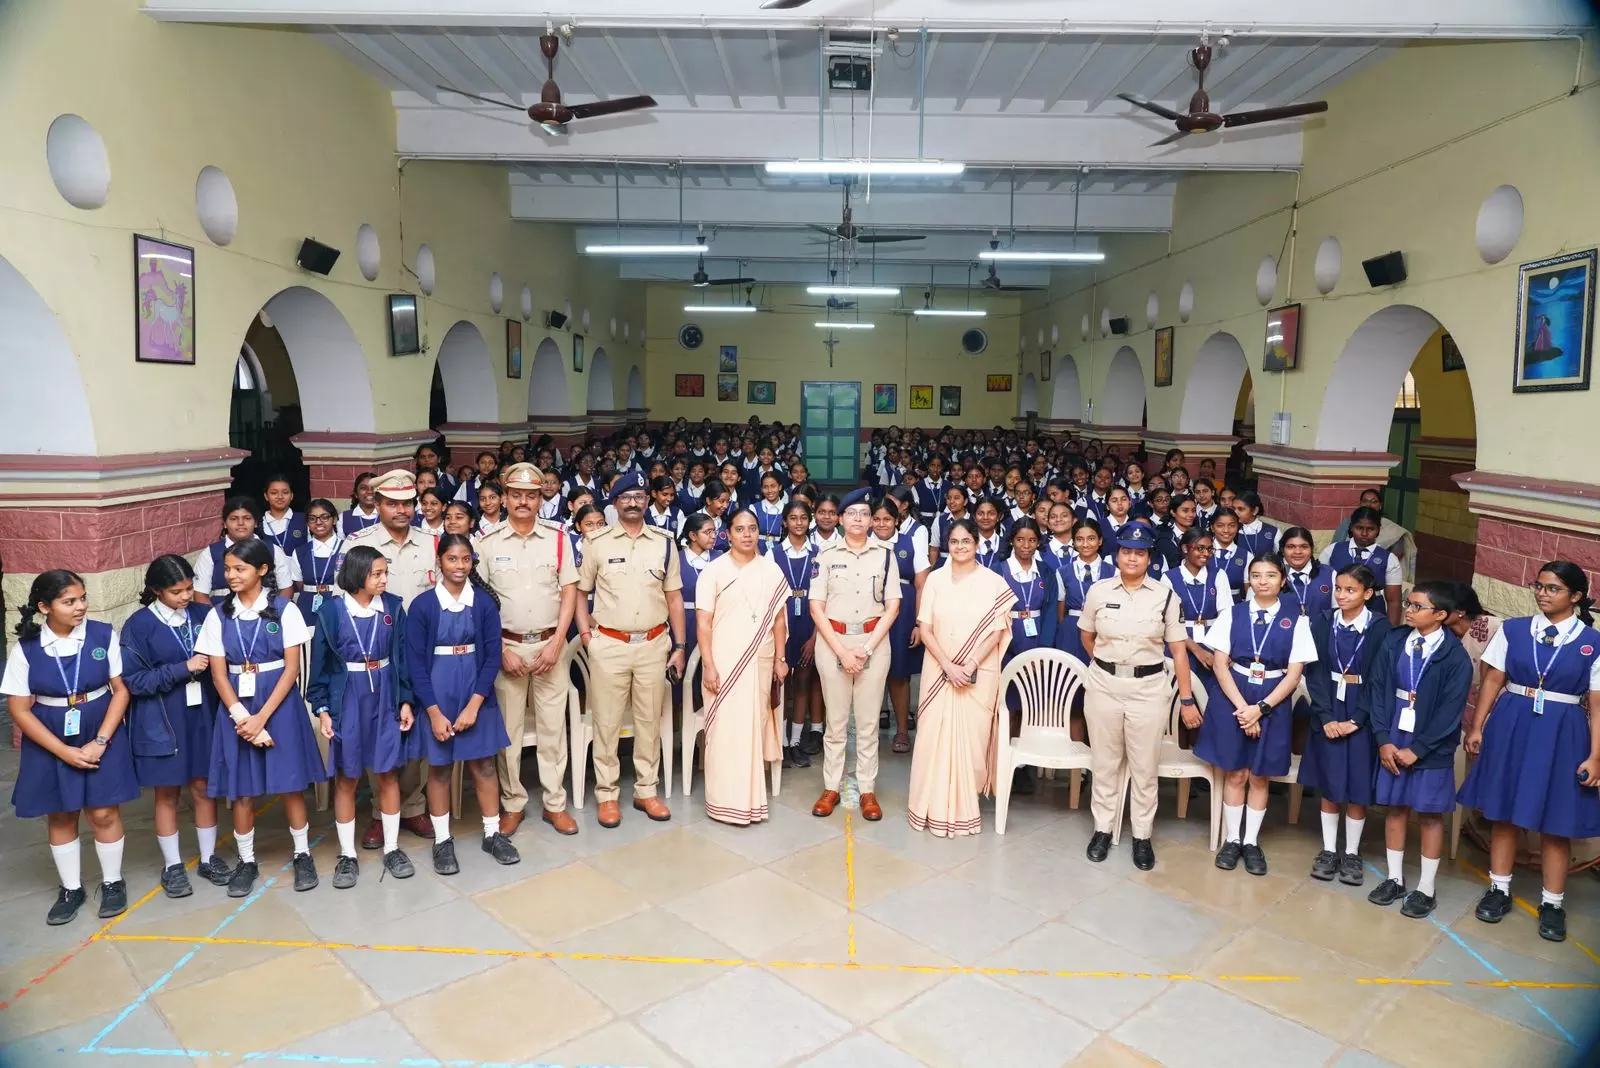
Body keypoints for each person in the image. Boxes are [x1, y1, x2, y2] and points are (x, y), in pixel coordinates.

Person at [1458, 561, 1600, 943]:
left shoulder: (1593, 642)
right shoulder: (1514, 630)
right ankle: (1499, 889)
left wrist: (1596, 756)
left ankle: (1552, 903)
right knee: (1503, 812)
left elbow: (1598, 704)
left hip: (1563, 730)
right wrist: (1478, 726)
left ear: (1575, 596)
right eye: (1538, 586)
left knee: (1556, 821)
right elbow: (1493, 679)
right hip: (1512, 721)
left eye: (1553, 588)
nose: (1542, 593)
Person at [3, 570, 138, 924]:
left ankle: (112, 882)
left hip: (99, 728)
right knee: (61, 812)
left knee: (104, 812)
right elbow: (19, 708)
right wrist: (63, 752)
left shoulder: (102, 634)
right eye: (69, 602)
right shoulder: (27, 648)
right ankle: (71, 888)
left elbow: (120, 691)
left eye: (82, 598)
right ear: (44, 607)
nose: (80, 607)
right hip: (50, 737)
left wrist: (101, 740)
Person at [198, 537, 326, 897]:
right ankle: (247, 860)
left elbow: (291, 669)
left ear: (263, 570)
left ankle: (302, 854)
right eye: (227, 569)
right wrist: (242, 717)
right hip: (237, 706)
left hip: (278, 704)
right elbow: (218, 674)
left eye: (240, 568)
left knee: (290, 783)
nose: (231, 575)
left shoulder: (285, 610)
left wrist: (262, 718)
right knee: (242, 789)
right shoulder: (218, 614)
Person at [1079, 524, 1195, 870]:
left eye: (1139, 553)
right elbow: (1087, 636)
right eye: (1126, 551)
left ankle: (1142, 835)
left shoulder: (1166, 596)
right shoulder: (1098, 591)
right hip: (1104, 687)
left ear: (1149, 558)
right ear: (1117, 554)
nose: (1132, 558)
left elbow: (1179, 652)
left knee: (1144, 768)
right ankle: (1103, 828)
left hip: (1148, 691)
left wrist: (1187, 700)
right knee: (1105, 763)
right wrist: (1108, 665)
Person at [575, 471, 688, 828]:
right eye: (626, 497)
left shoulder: (664, 542)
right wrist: (587, 637)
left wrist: (680, 646)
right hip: (609, 645)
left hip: (653, 644)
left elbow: (674, 597)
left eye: (639, 496)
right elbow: (580, 593)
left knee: (649, 721)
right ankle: (607, 795)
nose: (633, 502)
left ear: (647, 500)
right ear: (615, 502)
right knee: (607, 723)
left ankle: (646, 790)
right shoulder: (596, 542)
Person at [405, 533, 520, 874]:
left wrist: (474, 706)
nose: (459, 566)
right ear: (439, 561)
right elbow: (415, 663)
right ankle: (442, 840)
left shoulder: (483, 603)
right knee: (440, 768)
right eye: (452, 559)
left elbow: (491, 657)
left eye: (465, 559)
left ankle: (492, 833)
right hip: (438, 693)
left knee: (484, 765)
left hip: (475, 691)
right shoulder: (423, 606)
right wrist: (433, 712)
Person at [476, 463, 580, 835]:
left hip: (550, 646)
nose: (523, 501)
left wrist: (558, 643)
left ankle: (555, 804)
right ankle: (513, 804)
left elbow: (569, 592)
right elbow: (481, 604)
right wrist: (500, 651)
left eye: (531, 496)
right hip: (507, 649)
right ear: (504, 498)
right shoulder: (486, 543)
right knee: (509, 733)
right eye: (516, 495)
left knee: (554, 729)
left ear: (540, 499)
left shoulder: (558, 538)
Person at [1196, 553, 1316, 876]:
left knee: (1260, 775)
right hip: (1233, 697)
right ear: (1249, 580)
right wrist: (1243, 710)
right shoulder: (1232, 614)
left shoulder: (1297, 620)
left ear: (1283, 580)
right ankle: (1232, 840)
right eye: (1257, 575)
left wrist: (1261, 709)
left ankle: (1251, 841)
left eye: (1271, 575)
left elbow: (1294, 675)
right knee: (1236, 773)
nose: (1263, 581)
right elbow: (1220, 665)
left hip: (1272, 702)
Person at [120, 556, 230, 897]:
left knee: (203, 786)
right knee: (166, 792)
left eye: (189, 588)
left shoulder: (203, 614)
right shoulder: (139, 625)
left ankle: (209, 858)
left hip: (202, 714)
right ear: (156, 590)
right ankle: (172, 865)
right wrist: (183, 668)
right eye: (176, 591)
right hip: (162, 717)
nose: (185, 596)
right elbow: (134, 681)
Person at [308, 546, 418, 887]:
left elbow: (402, 658)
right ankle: (347, 855)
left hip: (384, 695)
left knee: (387, 773)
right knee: (347, 776)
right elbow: (320, 666)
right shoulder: (331, 612)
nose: (384, 580)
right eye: (377, 574)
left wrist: (405, 700)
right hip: (348, 698)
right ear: (357, 576)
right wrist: (323, 709)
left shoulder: (393, 608)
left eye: (385, 573)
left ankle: (392, 847)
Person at [1365, 581, 1473, 919]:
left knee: (1429, 814)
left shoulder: (1455, 657)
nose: (1408, 611)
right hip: (1394, 733)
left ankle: (1426, 887)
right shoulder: (1395, 641)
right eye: (1408, 604)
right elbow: (1378, 690)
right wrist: (1383, 739)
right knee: (1395, 808)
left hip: (1431, 744)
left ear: (1440, 615)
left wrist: (1420, 749)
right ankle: (1395, 879)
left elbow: (1450, 711)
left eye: (1417, 606)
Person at [343, 470, 438, 847]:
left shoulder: (432, 542)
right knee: (379, 730)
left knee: (416, 729)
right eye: (392, 503)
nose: (401, 510)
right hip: (378, 656)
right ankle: (381, 811)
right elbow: (347, 599)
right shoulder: (359, 544)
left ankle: (412, 806)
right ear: (377, 503)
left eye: (407, 503)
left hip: (423, 652)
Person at [907, 519, 1017, 837]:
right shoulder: (935, 579)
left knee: (972, 742)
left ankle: (964, 810)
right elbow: (925, 628)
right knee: (932, 738)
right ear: (947, 545)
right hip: (939, 670)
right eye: (954, 542)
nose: (960, 547)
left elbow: (997, 631)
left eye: (966, 541)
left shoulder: (994, 582)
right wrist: (948, 666)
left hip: (977, 674)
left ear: (977, 544)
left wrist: (968, 665)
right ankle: (929, 808)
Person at [810, 488, 900, 822]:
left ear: (872, 520)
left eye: (864, 513)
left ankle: (867, 789)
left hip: (873, 643)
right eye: (852, 513)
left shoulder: (885, 555)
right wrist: (842, 651)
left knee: (867, 723)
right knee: (835, 724)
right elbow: (816, 608)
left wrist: (866, 648)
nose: (858, 519)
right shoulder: (825, 554)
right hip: (833, 641)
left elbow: (892, 606)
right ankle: (831, 787)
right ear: (841, 519)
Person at [697, 507, 790, 825]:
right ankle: (721, 801)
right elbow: (703, 623)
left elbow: (779, 621)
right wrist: (708, 665)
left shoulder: (771, 571)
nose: (747, 535)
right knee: (725, 731)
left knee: (752, 728)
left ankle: (751, 801)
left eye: (752, 528)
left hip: (760, 662)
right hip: (723, 664)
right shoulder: (713, 571)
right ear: (728, 533)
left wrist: (780, 658)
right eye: (740, 529)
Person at [1301, 564, 1392, 886]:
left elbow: (1381, 678)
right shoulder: (1324, 621)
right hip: (1328, 705)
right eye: (1338, 588)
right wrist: (1326, 717)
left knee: (1357, 785)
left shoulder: (1380, 627)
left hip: (1361, 709)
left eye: (1350, 590)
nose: (1341, 595)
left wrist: (1357, 719)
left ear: (1368, 594)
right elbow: (1314, 672)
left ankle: (1351, 852)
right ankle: (1329, 850)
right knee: (1330, 781)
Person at [871, 498, 928, 755]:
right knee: (869, 672)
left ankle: (902, 730)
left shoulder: (910, 543)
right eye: (877, 519)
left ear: (897, 520)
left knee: (899, 673)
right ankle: (868, 732)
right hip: (871, 611)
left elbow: (921, 585)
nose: (882, 524)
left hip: (903, 613)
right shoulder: (863, 542)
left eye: (887, 519)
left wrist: (918, 623)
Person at [773, 501, 818, 768]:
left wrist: (815, 638)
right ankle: (779, 742)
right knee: (781, 685)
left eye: (803, 518)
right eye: (793, 518)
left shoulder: (819, 553)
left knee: (802, 682)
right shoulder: (773, 554)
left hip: (809, 623)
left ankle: (795, 742)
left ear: (809, 521)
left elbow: (825, 599)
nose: (799, 523)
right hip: (783, 623)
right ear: (785, 522)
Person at [193, 497, 295, 605]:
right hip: (224, 610)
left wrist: (274, 612)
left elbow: (286, 589)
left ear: (256, 522)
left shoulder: (272, 550)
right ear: (224, 523)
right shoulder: (211, 553)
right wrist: (217, 615)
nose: (240, 523)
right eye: (234, 519)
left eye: (247, 518)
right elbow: (200, 594)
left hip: (266, 610)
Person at [1320, 506, 1403, 625]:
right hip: (1337, 610)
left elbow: (1393, 600)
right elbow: (1319, 584)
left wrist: (1392, 632)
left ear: (1378, 530)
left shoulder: (1389, 558)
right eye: (1359, 528)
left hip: (1373, 613)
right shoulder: (1332, 550)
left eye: (1371, 529)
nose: (1364, 533)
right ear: (1351, 527)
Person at [1054, 519, 1114, 663]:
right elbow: (1060, 609)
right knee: (1070, 671)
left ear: (1100, 541)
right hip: (1071, 630)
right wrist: (1065, 627)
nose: (1085, 544)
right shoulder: (1062, 572)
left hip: (1101, 628)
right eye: (1079, 539)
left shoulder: (1113, 572)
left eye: (1091, 539)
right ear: (1073, 542)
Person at [288, 499, 343, 626]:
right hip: (307, 607)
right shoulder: (300, 551)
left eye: (324, 517)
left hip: (338, 605)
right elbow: (300, 584)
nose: (318, 522)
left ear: (334, 519)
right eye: (312, 519)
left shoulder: (346, 548)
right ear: (307, 523)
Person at [1280, 526, 1335, 620]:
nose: (1298, 552)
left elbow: (1338, 610)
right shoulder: (1273, 574)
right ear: (1282, 550)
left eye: (1304, 547)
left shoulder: (1329, 574)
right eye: (1291, 547)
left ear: (1311, 549)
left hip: (1321, 629)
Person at [260, 475, 307, 557]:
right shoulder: (258, 523)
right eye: (274, 493)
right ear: (266, 496)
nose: (280, 497)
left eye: (285, 492)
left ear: (291, 496)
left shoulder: (304, 519)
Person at [1232, 491, 1280, 559]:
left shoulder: (1273, 531)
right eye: (1233, 508)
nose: (1235, 512)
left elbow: (1281, 558)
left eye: (1241, 509)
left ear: (1255, 510)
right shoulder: (1229, 531)